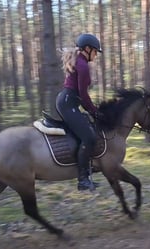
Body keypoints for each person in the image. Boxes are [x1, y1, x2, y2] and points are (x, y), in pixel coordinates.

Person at [56, 33, 103, 191]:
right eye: (95, 51)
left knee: (87, 130)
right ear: (87, 49)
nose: (96, 55)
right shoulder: (82, 65)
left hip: (68, 102)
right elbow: (83, 94)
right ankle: (83, 179)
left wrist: (91, 109)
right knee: (89, 137)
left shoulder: (80, 62)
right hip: (69, 103)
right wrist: (94, 111)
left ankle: (87, 171)